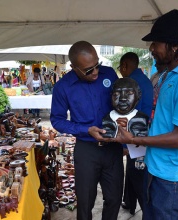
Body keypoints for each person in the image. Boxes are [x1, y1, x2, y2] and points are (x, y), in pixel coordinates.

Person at [109, 9, 178, 219]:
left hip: (171, 178)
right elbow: (161, 122)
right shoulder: (166, 75)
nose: (152, 49)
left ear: (175, 46)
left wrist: (136, 139)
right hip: (156, 169)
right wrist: (132, 140)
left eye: (156, 43)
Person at [50, 41, 123, 220]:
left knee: (114, 198)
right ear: (74, 67)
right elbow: (57, 120)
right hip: (86, 150)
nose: (96, 72)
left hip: (113, 148)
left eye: (97, 65)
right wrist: (85, 129)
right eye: (89, 70)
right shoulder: (63, 87)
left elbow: (122, 104)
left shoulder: (110, 74)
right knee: (85, 201)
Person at [118, 52, 153, 215]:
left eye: (120, 68)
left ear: (125, 66)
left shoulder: (130, 83)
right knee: (132, 171)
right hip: (142, 133)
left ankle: (147, 212)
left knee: (137, 176)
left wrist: (125, 144)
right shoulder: (145, 80)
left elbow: (128, 114)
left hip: (135, 137)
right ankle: (130, 203)